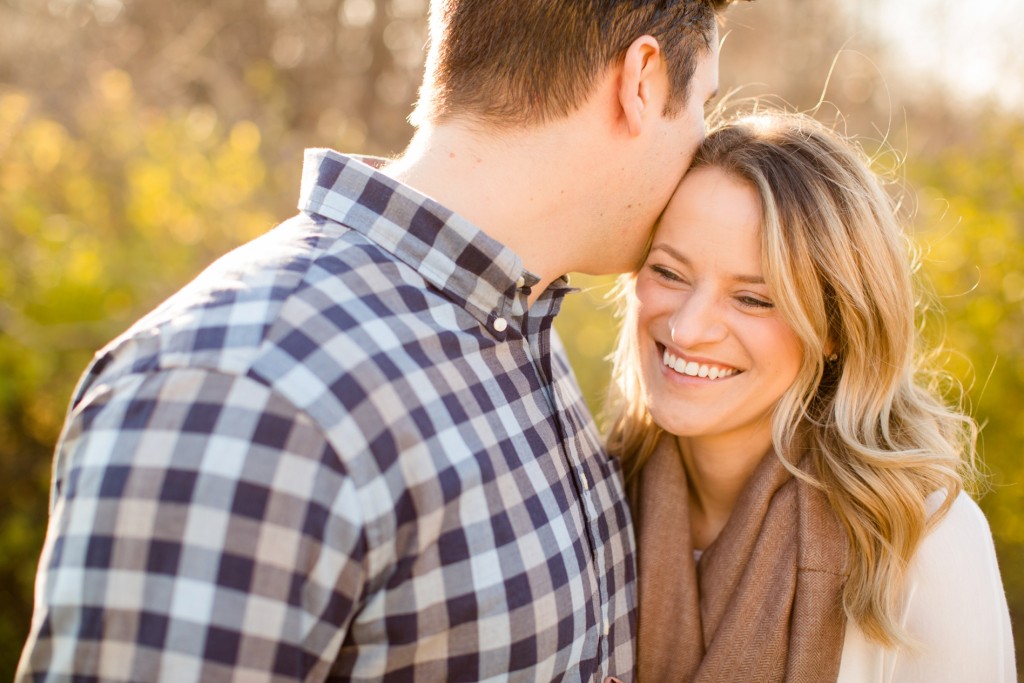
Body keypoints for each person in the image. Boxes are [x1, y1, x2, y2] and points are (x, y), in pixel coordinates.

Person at [17, 1, 747, 681]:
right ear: (643, 80)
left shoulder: (515, 325)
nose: (701, 145)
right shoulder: (244, 391)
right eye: (704, 105)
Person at [605, 110, 1017, 682]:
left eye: (753, 299)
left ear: (833, 329)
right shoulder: (589, 501)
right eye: (670, 273)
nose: (688, 328)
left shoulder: (922, 544)